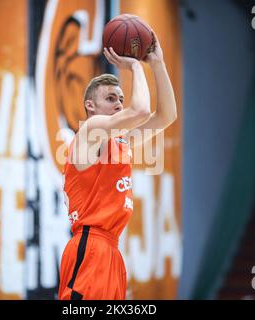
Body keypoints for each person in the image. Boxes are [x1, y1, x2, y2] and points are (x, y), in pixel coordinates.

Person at [58, 32, 177, 300]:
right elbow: (141, 111)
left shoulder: (118, 143)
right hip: (90, 247)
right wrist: (135, 65)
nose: (119, 104)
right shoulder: (90, 130)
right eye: (111, 99)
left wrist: (157, 64)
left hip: (111, 250)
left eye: (121, 99)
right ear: (90, 105)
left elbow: (166, 116)